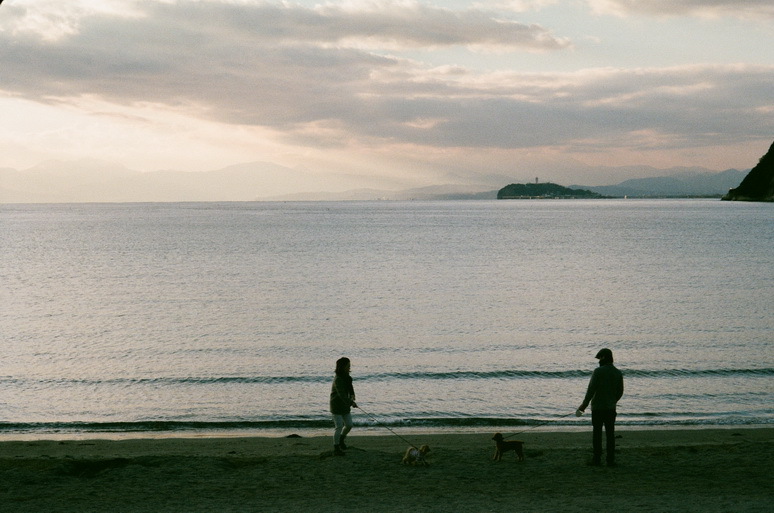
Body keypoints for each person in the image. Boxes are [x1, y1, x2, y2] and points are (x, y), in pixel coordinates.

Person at [577, 348, 624, 466]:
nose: (598, 361)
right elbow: (620, 391)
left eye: (599, 358)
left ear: (603, 357)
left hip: (598, 408)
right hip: (610, 408)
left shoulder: (598, 372)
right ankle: (610, 460)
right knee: (610, 434)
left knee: (597, 434)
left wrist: (584, 405)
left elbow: (591, 390)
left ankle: (597, 459)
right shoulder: (617, 372)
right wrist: (613, 400)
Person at [330, 357, 357, 456]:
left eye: (349, 365)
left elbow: (350, 386)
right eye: (348, 365)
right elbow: (341, 394)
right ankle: (336, 447)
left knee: (349, 425)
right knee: (339, 426)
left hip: (345, 406)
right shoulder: (338, 379)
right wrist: (351, 402)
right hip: (336, 405)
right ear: (342, 366)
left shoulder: (347, 376)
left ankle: (341, 439)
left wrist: (353, 395)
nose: (349, 367)